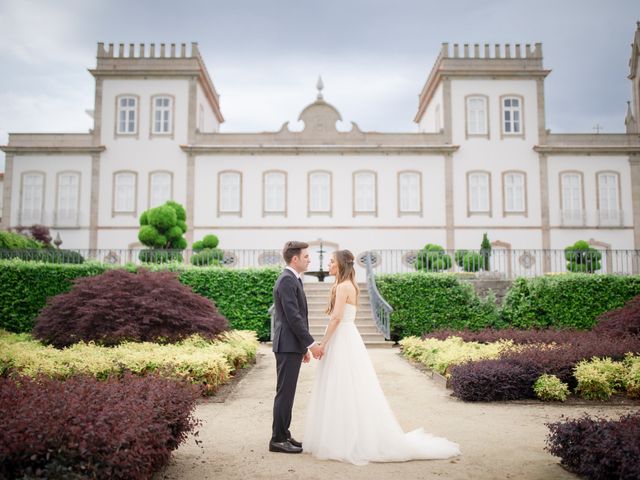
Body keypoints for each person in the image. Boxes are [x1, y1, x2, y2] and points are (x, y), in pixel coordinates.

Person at [303, 249, 461, 465]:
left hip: (341, 338)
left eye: (331, 262)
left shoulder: (342, 287)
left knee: (339, 386)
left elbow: (337, 318)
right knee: (350, 388)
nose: (328, 265)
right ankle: (349, 435)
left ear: (340, 265)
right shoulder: (352, 286)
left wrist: (323, 343)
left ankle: (343, 439)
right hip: (350, 337)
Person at [270, 241, 324, 454]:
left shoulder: (293, 279)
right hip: (286, 344)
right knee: (284, 393)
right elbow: (293, 317)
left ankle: (284, 434)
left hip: (292, 345)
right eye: (306, 256)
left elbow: (298, 316)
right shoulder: (286, 280)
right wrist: (311, 344)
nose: (309, 259)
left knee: (288, 392)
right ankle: (277, 439)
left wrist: (302, 348)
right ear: (295, 259)